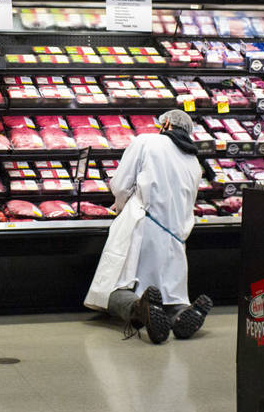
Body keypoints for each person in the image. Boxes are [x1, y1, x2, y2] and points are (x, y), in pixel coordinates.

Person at [84, 109, 213, 344]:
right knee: (171, 293)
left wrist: (121, 206)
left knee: (112, 287)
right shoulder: (193, 160)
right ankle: (183, 313)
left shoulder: (146, 141)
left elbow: (121, 185)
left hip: (142, 223)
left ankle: (139, 309)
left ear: (166, 124)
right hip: (177, 233)